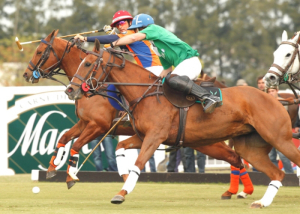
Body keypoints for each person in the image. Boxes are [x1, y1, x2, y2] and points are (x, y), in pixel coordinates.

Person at [109, 13, 222, 113]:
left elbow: (133, 38)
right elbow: (167, 69)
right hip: (184, 65)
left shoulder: (153, 29)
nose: (138, 31)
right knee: (163, 84)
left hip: (190, 62)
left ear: (143, 27)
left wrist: (113, 44)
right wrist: (153, 82)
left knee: (173, 79)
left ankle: (209, 98)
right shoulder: (156, 46)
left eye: (138, 29)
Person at [74, 10, 162, 76]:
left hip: (154, 70)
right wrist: (114, 35)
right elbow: (123, 47)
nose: (120, 26)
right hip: (149, 70)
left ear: (130, 22)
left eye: (122, 22)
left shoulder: (131, 33)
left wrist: (85, 38)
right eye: (117, 25)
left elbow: (112, 39)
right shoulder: (131, 36)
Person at [267, 86, 294, 173]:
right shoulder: (265, 101)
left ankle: (290, 174)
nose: (271, 93)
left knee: (283, 156)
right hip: (269, 132)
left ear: (277, 91)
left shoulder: (283, 101)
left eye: (273, 91)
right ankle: (276, 175)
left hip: (280, 133)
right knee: (271, 156)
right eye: (269, 91)